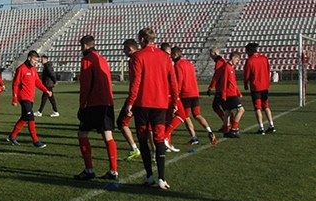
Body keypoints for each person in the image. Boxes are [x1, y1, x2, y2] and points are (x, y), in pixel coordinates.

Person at [123, 28, 177, 190]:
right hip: (160, 103)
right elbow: (172, 80)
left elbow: (136, 82)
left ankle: (149, 176)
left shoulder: (138, 56)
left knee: (143, 138)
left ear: (141, 40)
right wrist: (174, 100)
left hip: (142, 103)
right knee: (159, 139)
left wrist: (130, 103)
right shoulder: (165, 57)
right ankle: (162, 178)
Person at [73, 36, 118, 181]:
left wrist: (82, 105)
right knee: (108, 135)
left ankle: (89, 169)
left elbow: (85, 85)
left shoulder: (87, 59)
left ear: (85, 45)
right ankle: (113, 170)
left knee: (82, 133)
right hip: (107, 101)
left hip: (94, 102)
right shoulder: (102, 58)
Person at [171, 47, 217, 145]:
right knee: (197, 114)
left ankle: (194, 137)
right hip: (194, 92)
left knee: (185, 116)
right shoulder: (189, 63)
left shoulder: (178, 65)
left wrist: (176, 93)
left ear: (175, 55)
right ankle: (209, 130)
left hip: (185, 93)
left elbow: (179, 80)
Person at [8, 51, 51, 148]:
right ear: (29, 58)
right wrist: (15, 98)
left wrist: (46, 90)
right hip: (23, 98)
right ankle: (36, 141)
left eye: (37, 60)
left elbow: (37, 82)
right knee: (31, 117)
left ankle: (12, 136)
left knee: (24, 118)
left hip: (30, 98)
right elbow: (15, 84)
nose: (36, 62)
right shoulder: (21, 69)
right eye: (34, 60)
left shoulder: (33, 69)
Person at [243, 43, 275, 134]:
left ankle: (261, 127)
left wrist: (245, 84)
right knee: (266, 106)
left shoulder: (250, 61)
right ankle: (271, 125)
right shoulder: (264, 58)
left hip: (256, 86)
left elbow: (247, 74)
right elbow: (268, 71)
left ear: (249, 51)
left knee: (257, 107)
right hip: (265, 85)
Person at [220, 51, 245, 138]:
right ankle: (234, 129)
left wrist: (238, 92)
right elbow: (224, 81)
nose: (237, 62)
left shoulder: (230, 68)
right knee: (241, 110)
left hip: (232, 92)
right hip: (230, 93)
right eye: (237, 60)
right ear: (233, 58)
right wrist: (224, 94)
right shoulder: (227, 67)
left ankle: (226, 131)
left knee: (227, 112)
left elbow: (233, 82)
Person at [206, 47, 228, 129]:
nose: (210, 56)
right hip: (223, 87)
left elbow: (216, 76)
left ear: (214, 53)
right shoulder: (223, 61)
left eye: (211, 54)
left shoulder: (219, 62)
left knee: (217, 106)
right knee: (224, 107)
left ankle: (227, 123)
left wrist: (210, 87)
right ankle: (227, 123)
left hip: (220, 89)